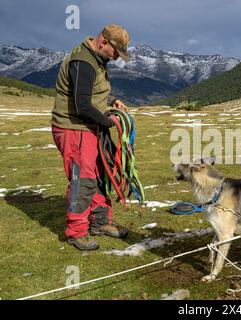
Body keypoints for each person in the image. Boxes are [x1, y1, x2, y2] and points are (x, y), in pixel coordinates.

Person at [51, 24, 131, 250]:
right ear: (104, 42)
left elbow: (92, 92)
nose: (116, 58)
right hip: (74, 129)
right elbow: (82, 104)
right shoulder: (83, 62)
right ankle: (76, 231)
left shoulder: (97, 59)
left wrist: (112, 100)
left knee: (98, 174)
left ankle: (101, 221)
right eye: (116, 52)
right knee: (82, 179)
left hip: (88, 128)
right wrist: (108, 122)